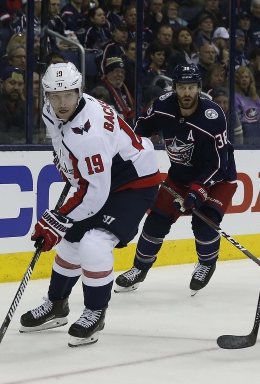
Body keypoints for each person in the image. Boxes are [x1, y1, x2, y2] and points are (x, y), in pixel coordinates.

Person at [19, 62, 161, 347]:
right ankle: (57, 305)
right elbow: (62, 140)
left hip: (134, 181)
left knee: (93, 243)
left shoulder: (90, 135)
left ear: (79, 91)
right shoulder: (51, 110)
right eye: (54, 95)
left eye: (68, 95)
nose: (61, 103)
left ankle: (95, 312)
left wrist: (57, 219)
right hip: (103, 175)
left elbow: (95, 194)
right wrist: (67, 166)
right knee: (71, 240)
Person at [115, 64, 237, 296]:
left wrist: (198, 191)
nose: (187, 92)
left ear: (199, 88)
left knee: (204, 223)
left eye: (192, 87)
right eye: (182, 87)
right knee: (156, 222)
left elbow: (219, 163)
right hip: (179, 176)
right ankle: (139, 268)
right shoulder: (162, 106)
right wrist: (122, 149)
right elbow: (138, 131)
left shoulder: (213, 116)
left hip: (217, 178)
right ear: (175, 89)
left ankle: (206, 263)